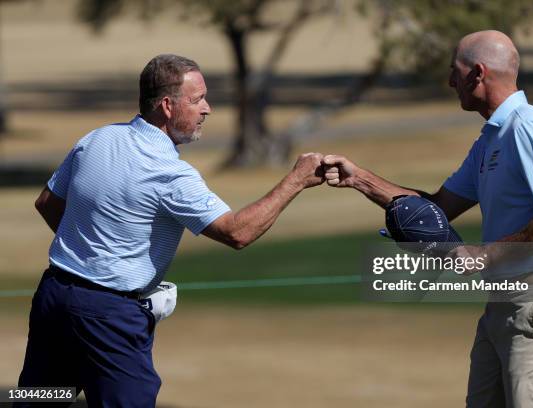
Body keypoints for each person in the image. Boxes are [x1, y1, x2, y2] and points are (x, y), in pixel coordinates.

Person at [17, 54, 324, 407]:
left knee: (38, 399)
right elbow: (238, 232)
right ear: (167, 105)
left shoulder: (96, 139)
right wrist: (296, 180)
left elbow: (47, 203)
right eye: (197, 100)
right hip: (109, 317)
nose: (207, 109)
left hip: (53, 296)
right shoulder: (171, 174)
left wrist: (95, 256)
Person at [323, 30, 533, 407]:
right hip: (504, 304)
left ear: (478, 73)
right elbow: (437, 208)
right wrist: (359, 179)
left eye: (454, 71)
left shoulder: (526, 125)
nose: (449, 82)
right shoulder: (490, 139)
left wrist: (486, 255)